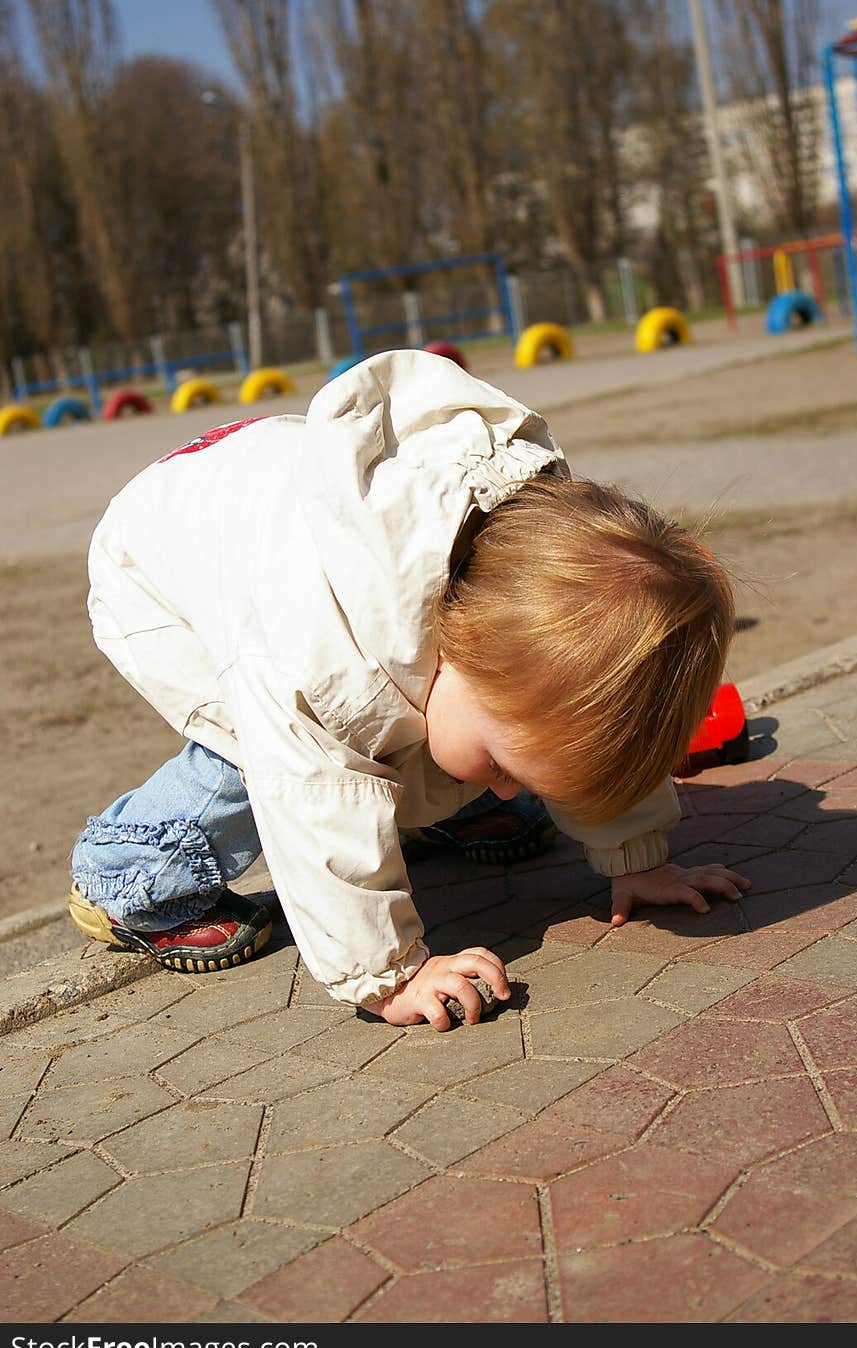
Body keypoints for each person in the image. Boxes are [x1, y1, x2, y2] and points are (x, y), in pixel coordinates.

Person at [68, 348, 750, 1031]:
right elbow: (312, 797)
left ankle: (442, 800)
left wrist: (636, 858)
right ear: (460, 650)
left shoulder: (516, 601)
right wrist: (389, 972)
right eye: (502, 770)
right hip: (161, 566)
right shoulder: (321, 661)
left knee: (442, 729)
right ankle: (129, 868)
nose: (511, 789)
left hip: (270, 487)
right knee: (264, 749)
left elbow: (590, 727)